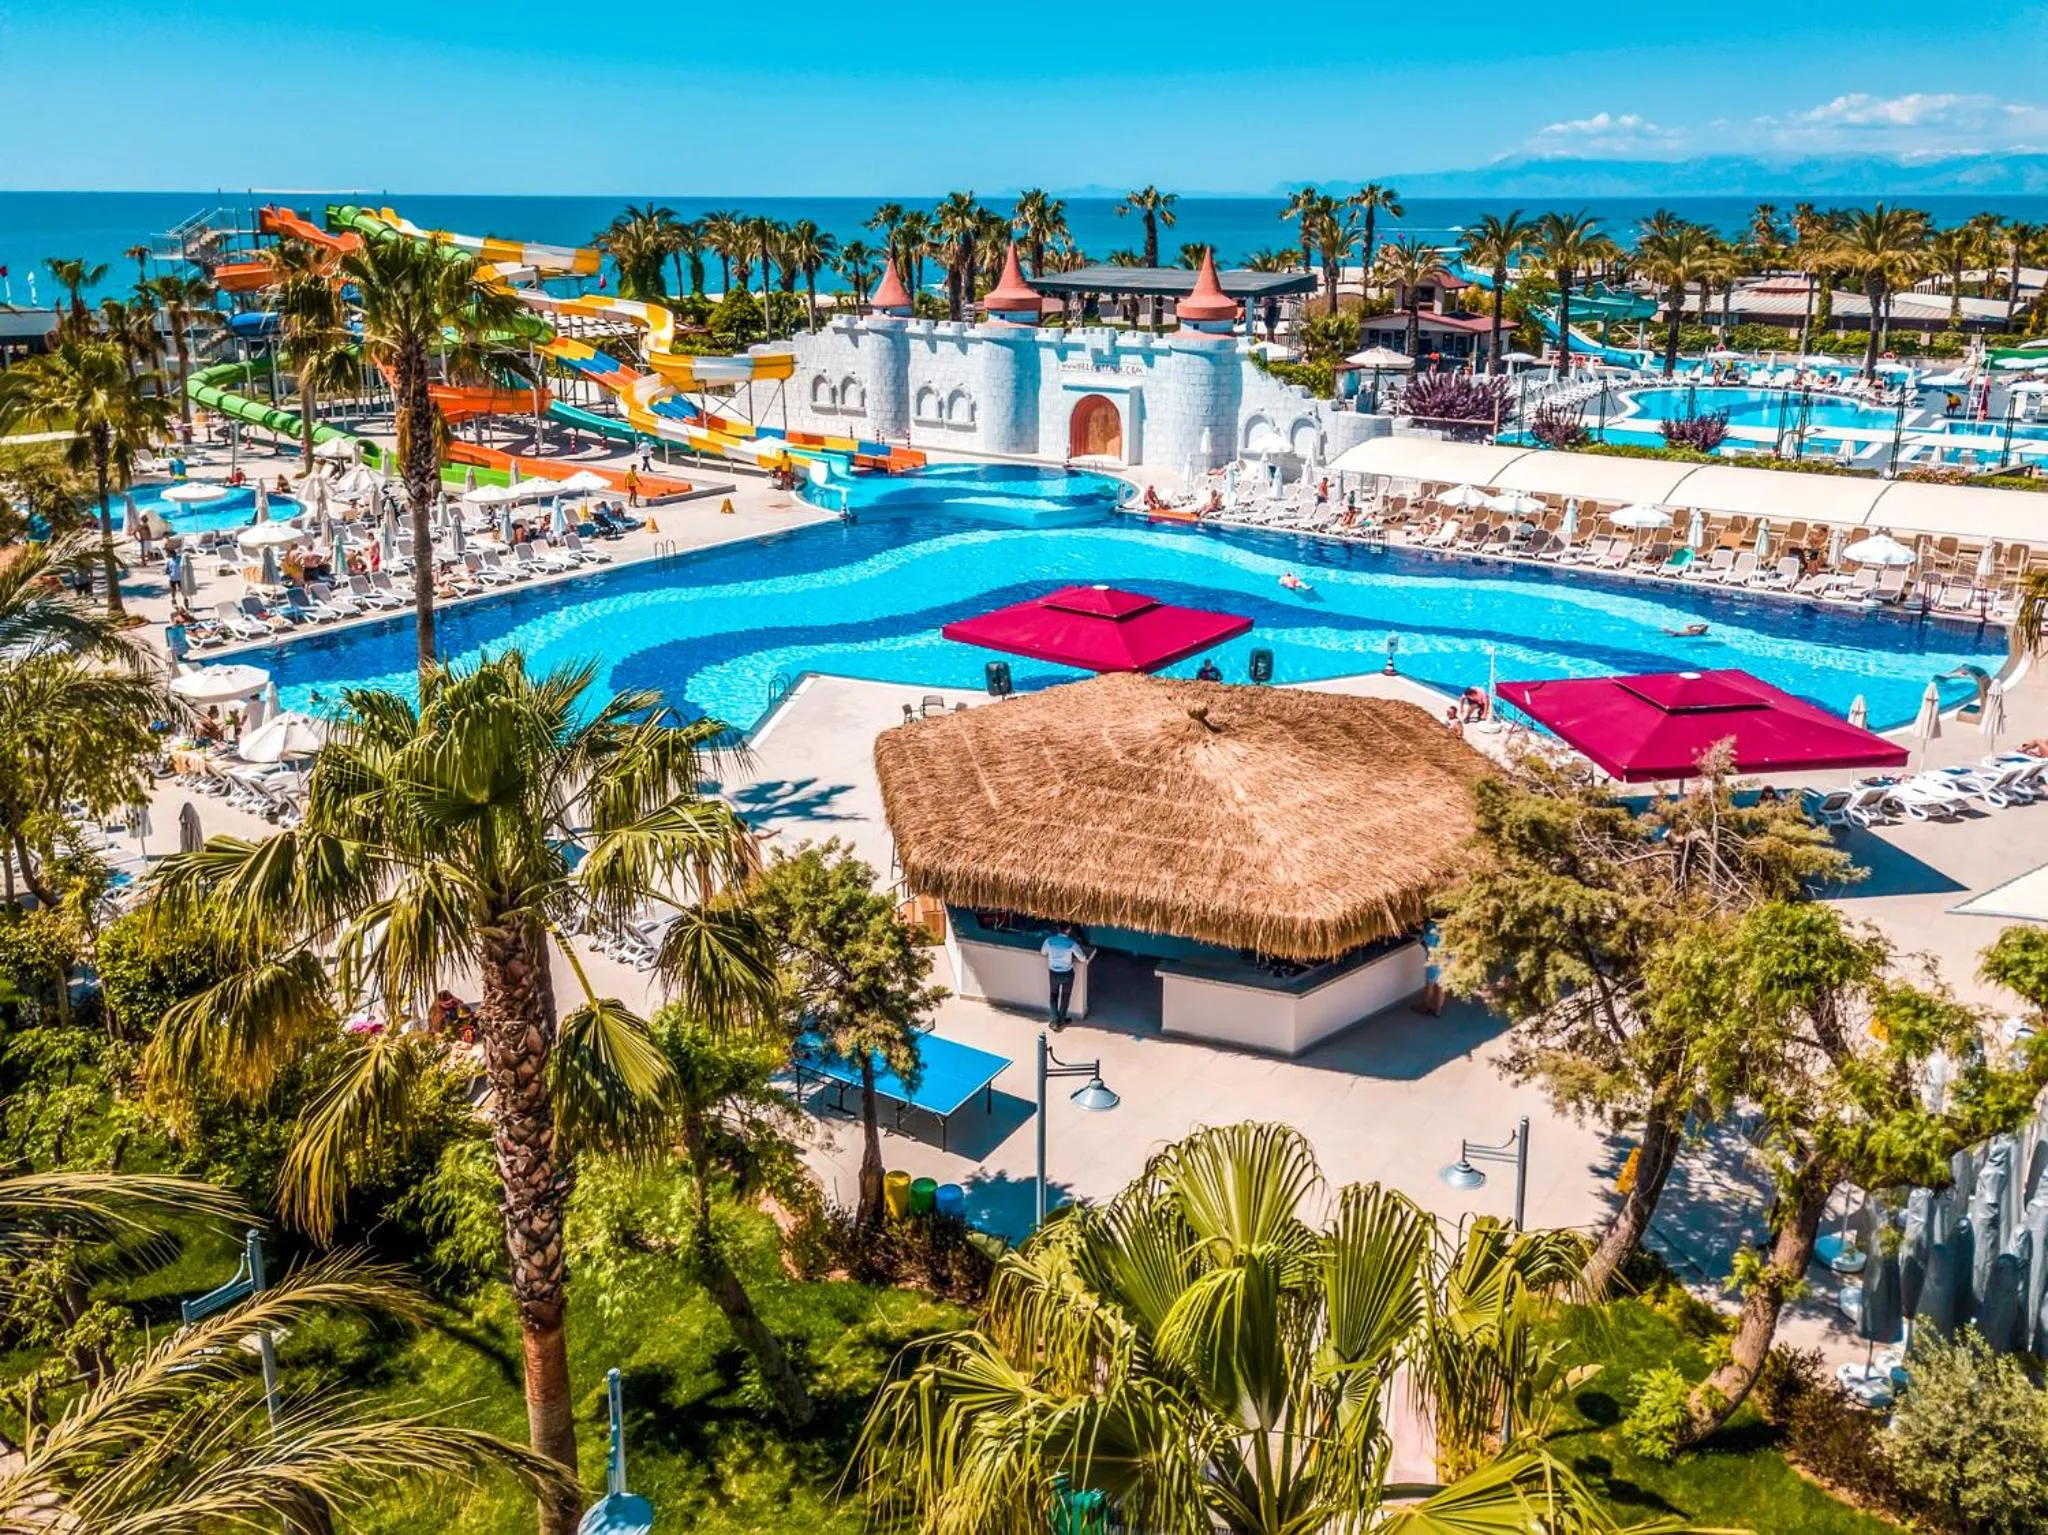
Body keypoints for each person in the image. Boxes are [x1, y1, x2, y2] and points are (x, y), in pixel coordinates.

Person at [1040, 924, 1093, 1030]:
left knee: (1053, 996)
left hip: (1054, 973)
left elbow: (1043, 952)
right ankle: (1062, 1019)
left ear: (1058, 928)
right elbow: (1082, 958)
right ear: (1068, 930)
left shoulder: (1049, 940)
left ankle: (1055, 1020)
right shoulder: (1071, 943)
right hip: (1067, 974)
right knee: (1065, 996)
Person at [1414, 918, 1445, 1016]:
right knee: (1441, 986)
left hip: (1434, 960)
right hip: (1446, 959)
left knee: (1430, 985)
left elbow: (1429, 942)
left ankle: (1425, 1006)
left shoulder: (1430, 929)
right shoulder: (1443, 926)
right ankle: (1438, 1010)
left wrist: (1422, 930)